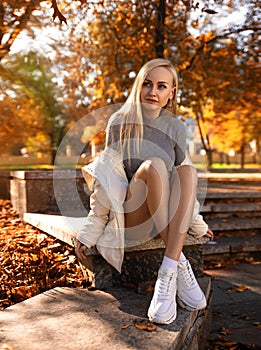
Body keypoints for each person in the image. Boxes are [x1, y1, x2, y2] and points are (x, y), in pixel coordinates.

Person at [75, 58, 214, 325]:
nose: (153, 92)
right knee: (155, 166)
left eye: (162, 86)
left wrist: (197, 223)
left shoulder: (176, 127)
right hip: (132, 213)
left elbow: (183, 184)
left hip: (162, 213)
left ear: (172, 92)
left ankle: (170, 269)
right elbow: (107, 178)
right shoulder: (119, 122)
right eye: (147, 84)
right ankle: (178, 261)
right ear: (139, 86)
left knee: (187, 171)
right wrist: (90, 230)